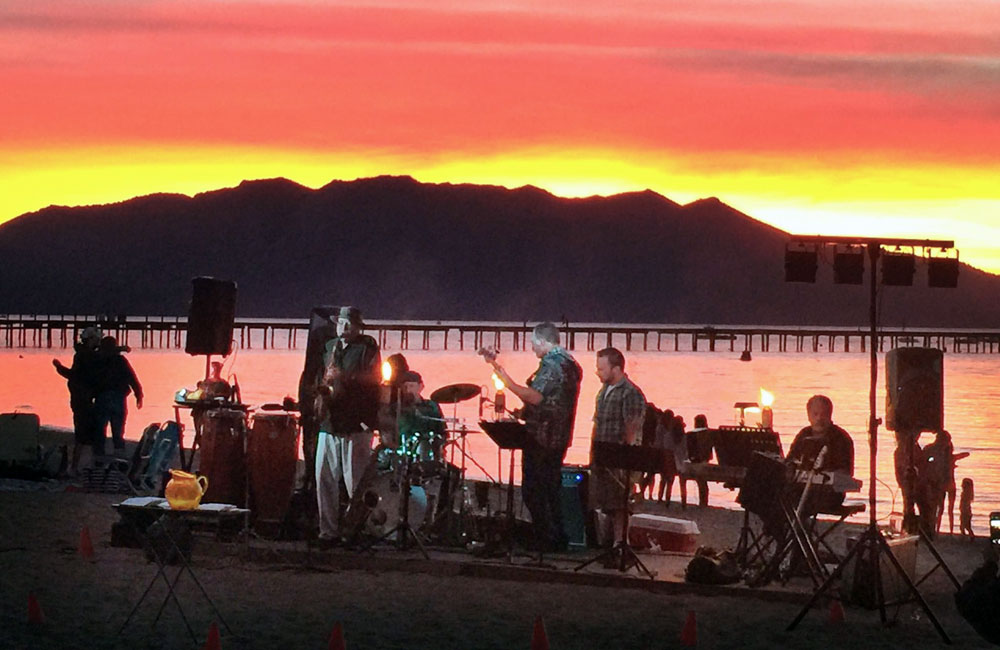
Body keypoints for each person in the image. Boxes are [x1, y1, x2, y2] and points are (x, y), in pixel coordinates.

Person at [481, 322, 582, 552]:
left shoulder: (553, 364)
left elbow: (535, 397)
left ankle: (547, 539)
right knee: (550, 489)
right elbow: (551, 401)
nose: (532, 348)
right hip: (559, 436)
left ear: (545, 341)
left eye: (534, 343)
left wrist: (509, 384)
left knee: (534, 490)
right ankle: (557, 537)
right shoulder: (570, 364)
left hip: (542, 437)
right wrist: (495, 365)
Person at [314, 306, 381, 547]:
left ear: (357, 327)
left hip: (355, 422)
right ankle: (327, 532)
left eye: (348, 323)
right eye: (341, 322)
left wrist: (345, 379)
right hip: (330, 422)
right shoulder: (330, 347)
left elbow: (375, 380)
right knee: (324, 478)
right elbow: (322, 377)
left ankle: (356, 531)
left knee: (356, 482)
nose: (344, 327)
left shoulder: (367, 347)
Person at [590, 347, 647, 549]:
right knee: (606, 502)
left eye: (601, 368)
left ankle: (620, 543)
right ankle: (608, 542)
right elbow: (597, 423)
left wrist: (624, 459)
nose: (598, 372)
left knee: (619, 504)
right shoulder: (603, 391)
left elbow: (632, 427)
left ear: (615, 369)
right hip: (602, 456)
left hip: (621, 460)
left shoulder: (630, 393)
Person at [786, 395, 854, 512]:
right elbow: (790, 460)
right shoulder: (803, 434)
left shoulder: (841, 438)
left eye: (824, 414)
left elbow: (845, 473)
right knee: (773, 499)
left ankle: (796, 528)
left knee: (790, 502)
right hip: (799, 489)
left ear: (830, 415)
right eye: (815, 414)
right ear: (808, 416)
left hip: (829, 494)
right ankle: (788, 529)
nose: (819, 419)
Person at [52, 327, 102, 473]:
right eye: (96, 339)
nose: (98, 342)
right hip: (83, 400)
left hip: (80, 399)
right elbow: (76, 375)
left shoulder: (82, 355)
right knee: (86, 433)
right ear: (91, 340)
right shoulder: (86, 356)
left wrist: (59, 368)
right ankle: (79, 466)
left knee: (83, 432)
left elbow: (74, 375)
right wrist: (59, 368)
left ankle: (78, 465)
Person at [93, 335, 143, 458]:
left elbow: (90, 379)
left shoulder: (97, 360)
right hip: (118, 397)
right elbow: (132, 377)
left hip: (102, 397)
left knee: (100, 429)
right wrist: (138, 394)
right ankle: (118, 453)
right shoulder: (120, 360)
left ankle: (99, 454)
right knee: (118, 429)